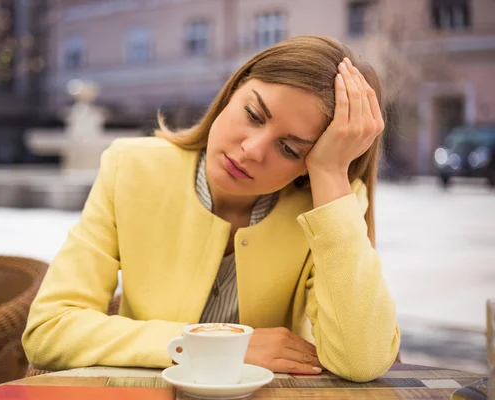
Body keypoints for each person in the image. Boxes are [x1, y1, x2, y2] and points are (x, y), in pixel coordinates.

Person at [22, 35, 400, 383]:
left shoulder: (330, 204)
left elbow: (361, 360)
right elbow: (49, 331)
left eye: (290, 149)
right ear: (232, 90)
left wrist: (331, 177)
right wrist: (212, 345)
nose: (252, 149)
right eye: (253, 114)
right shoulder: (131, 167)